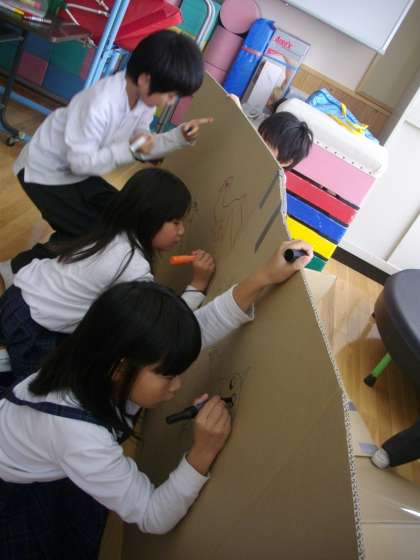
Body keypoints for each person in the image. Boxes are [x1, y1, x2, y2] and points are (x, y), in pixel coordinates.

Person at [0, 240, 312, 558]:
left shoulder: (97, 357)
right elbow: (152, 515)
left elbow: (201, 327)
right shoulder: (81, 438)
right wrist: (202, 452)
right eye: (168, 375)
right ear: (120, 368)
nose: (178, 385)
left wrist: (263, 277)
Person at [0, 29, 213, 288]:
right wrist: (132, 148)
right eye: (170, 95)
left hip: (78, 173)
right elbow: (85, 161)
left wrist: (179, 137)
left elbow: (143, 143)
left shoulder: (144, 100)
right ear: (146, 80)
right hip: (44, 173)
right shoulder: (100, 103)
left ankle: (50, 263)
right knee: (89, 235)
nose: (170, 102)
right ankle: (16, 268)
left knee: (121, 213)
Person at [0, 168, 215, 379]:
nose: (182, 231)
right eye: (175, 222)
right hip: (33, 326)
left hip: (19, 297)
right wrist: (197, 285)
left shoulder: (114, 233)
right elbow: (160, 325)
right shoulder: (131, 264)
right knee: (38, 390)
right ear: (150, 216)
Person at [228, 94, 313, 170]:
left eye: (267, 145)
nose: (257, 144)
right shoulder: (253, 151)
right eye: (259, 136)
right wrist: (238, 110)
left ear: (284, 162)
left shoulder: (273, 179)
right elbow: (248, 131)